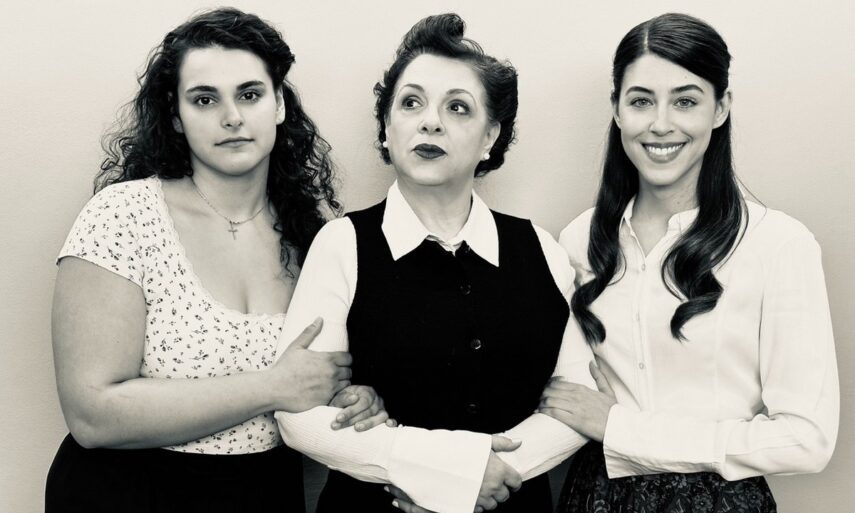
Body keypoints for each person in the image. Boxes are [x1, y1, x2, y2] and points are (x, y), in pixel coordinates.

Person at [45, 8, 388, 512]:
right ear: (175, 115)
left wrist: (352, 401)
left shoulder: (312, 236)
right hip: (128, 494)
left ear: (278, 105)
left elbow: (313, 381)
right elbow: (91, 415)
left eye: (250, 95)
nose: (232, 117)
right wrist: (273, 386)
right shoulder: (123, 216)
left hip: (263, 493)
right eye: (204, 99)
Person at [274, 13, 598, 513]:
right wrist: (440, 471)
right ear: (387, 128)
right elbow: (298, 417)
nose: (430, 121)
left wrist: (479, 478)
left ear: (490, 137)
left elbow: (578, 399)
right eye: (411, 103)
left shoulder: (541, 248)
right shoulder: (342, 244)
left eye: (458, 107)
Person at [538, 13, 839, 512]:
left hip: (720, 501)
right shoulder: (579, 241)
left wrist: (625, 429)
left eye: (685, 101)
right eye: (641, 101)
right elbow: (557, 390)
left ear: (721, 108)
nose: (661, 124)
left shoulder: (778, 244)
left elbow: (807, 440)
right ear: (616, 109)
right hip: (595, 497)